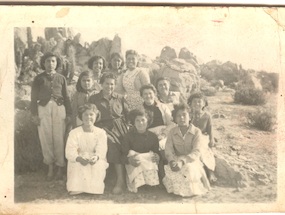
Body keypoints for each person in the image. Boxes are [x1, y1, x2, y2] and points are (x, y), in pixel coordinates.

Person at [30, 52, 72, 181]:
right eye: (48, 61)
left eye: (53, 61)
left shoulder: (61, 78)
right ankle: (50, 167)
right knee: (46, 137)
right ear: (43, 63)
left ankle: (60, 167)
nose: (50, 64)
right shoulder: (39, 78)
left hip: (59, 108)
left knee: (59, 137)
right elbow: (33, 99)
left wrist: (69, 114)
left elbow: (66, 97)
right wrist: (34, 115)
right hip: (43, 108)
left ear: (57, 63)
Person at [88, 72, 129, 194]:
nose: (109, 87)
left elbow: (128, 115)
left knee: (125, 144)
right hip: (103, 127)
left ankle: (126, 178)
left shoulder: (120, 98)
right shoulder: (94, 98)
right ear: (101, 84)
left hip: (120, 127)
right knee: (112, 144)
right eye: (106, 83)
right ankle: (120, 181)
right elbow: (91, 116)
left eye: (112, 84)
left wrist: (129, 128)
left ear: (115, 85)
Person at [163, 103, 211, 197]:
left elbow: (196, 151)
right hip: (177, 158)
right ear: (175, 119)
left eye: (184, 115)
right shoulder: (172, 132)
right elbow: (168, 148)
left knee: (189, 169)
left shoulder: (196, 132)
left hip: (192, 160)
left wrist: (183, 161)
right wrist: (172, 161)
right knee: (174, 172)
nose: (181, 118)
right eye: (178, 116)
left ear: (190, 116)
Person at [65, 103, 108, 195]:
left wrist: (96, 157)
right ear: (81, 116)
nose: (88, 117)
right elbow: (70, 151)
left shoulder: (101, 133)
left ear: (96, 116)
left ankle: (93, 189)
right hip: (79, 158)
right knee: (77, 165)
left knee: (97, 165)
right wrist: (79, 158)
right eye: (85, 114)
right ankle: (77, 188)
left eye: (91, 114)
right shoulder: (74, 132)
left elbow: (102, 149)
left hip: (94, 158)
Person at [122, 109, 161, 193]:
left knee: (151, 156)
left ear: (148, 121)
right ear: (133, 122)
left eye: (143, 120)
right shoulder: (128, 136)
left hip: (147, 163)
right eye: (137, 120)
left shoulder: (153, 136)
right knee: (133, 154)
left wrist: (157, 156)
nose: (140, 123)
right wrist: (129, 160)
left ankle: (150, 183)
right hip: (134, 163)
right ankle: (138, 184)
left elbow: (156, 151)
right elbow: (123, 155)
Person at [187, 92, 217, 182]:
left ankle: (211, 172)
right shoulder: (188, 114)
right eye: (194, 102)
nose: (197, 104)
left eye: (199, 102)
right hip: (191, 136)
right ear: (190, 103)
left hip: (202, 137)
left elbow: (210, 128)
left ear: (204, 103)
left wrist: (211, 139)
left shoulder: (207, 115)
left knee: (205, 151)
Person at [139, 84, 175, 156]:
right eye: (145, 94)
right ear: (142, 96)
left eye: (150, 93)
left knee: (164, 147)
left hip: (164, 134)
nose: (148, 96)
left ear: (154, 94)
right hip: (148, 136)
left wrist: (163, 134)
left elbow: (171, 124)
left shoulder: (163, 107)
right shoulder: (139, 110)